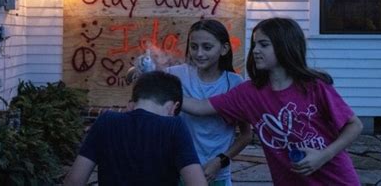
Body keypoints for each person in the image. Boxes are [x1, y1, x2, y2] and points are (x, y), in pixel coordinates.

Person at [182, 17, 363, 186]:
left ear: (285, 46)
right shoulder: (249, 93)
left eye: (263, 44)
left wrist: (324, 156)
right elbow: (200, 107)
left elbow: (354, 125)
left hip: (336, 179)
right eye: (255, 44)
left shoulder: (314, 86)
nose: (255, 50)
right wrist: (160, 91)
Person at [64, 71, 208, 186]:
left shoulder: (106, 121)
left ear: (134, 101)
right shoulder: (174, 126)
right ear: (174, 107)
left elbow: (74, 181)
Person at [165, 19, 253, 186]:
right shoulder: (176, 75)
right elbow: (137, 75)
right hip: (178, 171)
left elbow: (246, 135)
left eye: (207, 47)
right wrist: (139, 70)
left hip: (215, 175)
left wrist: (220, 161)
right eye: (193, 46)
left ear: (224, 49)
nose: (199, 53)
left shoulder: (235, 83)